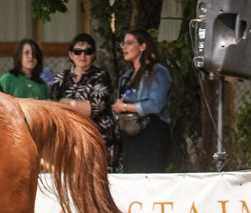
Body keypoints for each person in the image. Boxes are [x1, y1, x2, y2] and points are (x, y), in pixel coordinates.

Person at [50, 33, 121, 172]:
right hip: (69, 138)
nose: (82, 56)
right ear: (71, 54)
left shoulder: (101, 76)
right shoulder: (61, 77)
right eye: (77, 52)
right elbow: (52, 108)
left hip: (98, 137)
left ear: (94, 54)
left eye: (87, 51)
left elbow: (94, 108)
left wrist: (64, 102)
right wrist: (76, 105)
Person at [111, 28, 172, 173]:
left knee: (150, 182)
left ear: (143, 46)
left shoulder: (158, 71)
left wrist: (125, 107)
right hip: (130, 135)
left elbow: (156, 105)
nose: (124, 47)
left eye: (130, 43)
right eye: (123, 43)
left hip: (152, 134)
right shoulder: (127, 76)